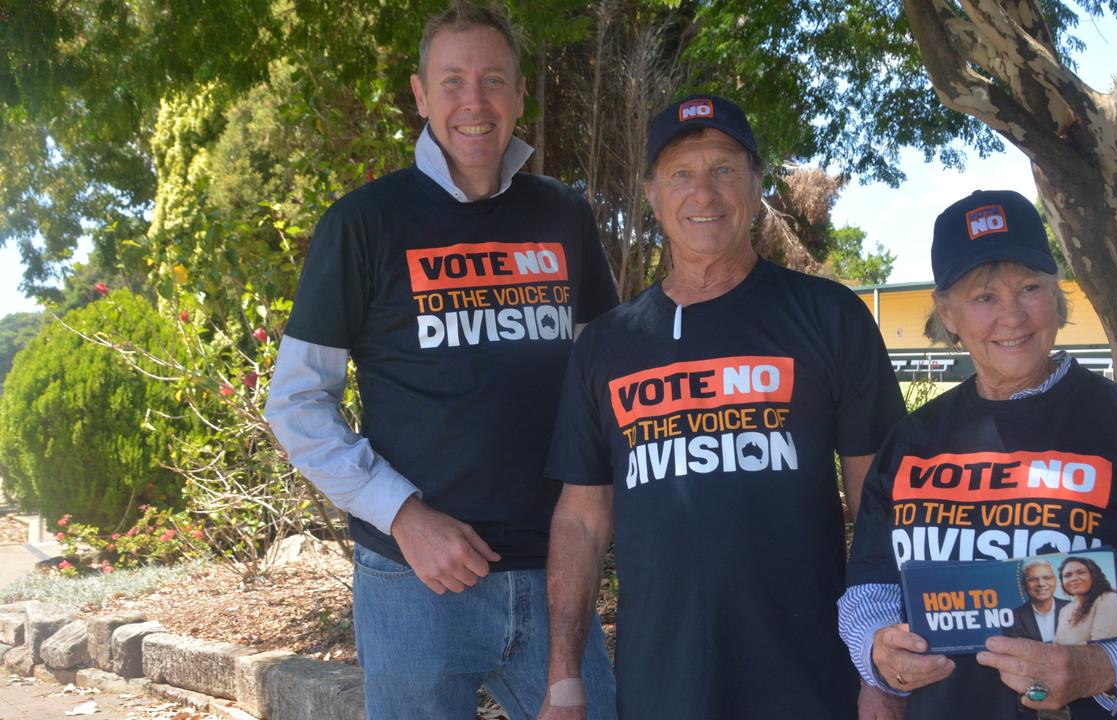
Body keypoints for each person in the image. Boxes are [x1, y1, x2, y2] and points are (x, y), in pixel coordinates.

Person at [262, 4, 618, 718]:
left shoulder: (565, 217)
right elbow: (296, 404)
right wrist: (404, 517)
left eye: (493, 80)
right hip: (414, 582)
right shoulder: (364, 223)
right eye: (452, 81)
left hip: (555, 577)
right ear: (421, 96)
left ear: (520, 96)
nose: (474, 102)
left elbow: (606, 382)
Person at [536, 94, 908, 720]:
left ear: (757, 185)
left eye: (724, 170)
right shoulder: (606, 345)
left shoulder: (830, 317)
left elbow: (881, 499)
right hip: (663, 686)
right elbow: (581, 519)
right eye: (681, 174)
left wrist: (881, 668)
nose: (702, 193)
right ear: (652, 196)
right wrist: (563, 674)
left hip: (812, 678)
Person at [837, 189, 1117, 719]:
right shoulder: (913, 441)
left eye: (1030, 288)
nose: (1012, 316)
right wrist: (877, 651)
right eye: (983, 297)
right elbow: (870, 588)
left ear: (1056, 296)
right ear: (947, 313)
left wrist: (1106, 665)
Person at [1054, 556, 1117, 645]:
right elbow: (1056, 644)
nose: (1073, 578)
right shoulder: (1064, 610)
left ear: (1094, 576)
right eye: (1067, 575)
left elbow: (1102, 645)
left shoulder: (1108, 599)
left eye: (1081, 572)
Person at [1008, 559, 1070, 643]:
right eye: (1033, 579)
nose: (1041, 584)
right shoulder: (1013, 617)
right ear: (1024, 585)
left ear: (1056, 581)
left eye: (1047, 578)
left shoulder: (1074, 609)